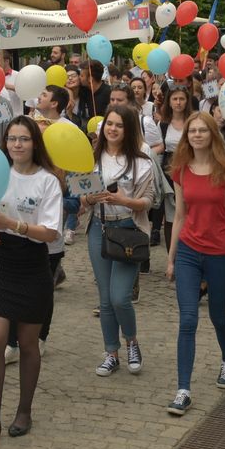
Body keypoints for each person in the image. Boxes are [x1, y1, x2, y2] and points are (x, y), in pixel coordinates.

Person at [0, 116, 61, 437]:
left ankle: (24, 410)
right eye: (12, 139)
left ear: (34, 142)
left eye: (23, 139)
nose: (17, 145)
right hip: (1, 264)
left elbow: (51, 233)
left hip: (32, 265)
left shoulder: (47, 181)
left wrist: (14, 225)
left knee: (27, 344)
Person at [162, 111, 225, 416]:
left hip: (220, 251)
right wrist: (171, 258)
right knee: (187, 319)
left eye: (202, 130)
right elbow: (179, 215)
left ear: (212, 134)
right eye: (192, 131)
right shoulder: (181, 170)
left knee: (218, 316)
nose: (197, 135)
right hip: (188, 251)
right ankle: (183, 390)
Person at [81, 106, 154, 377]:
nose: (112, 129)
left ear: (129, 129)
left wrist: (123, 200)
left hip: (129, 231)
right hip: (99, 228)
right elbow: (81, 198)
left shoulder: (142, 162)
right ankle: (111, 353)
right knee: (105, 298)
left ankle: (132, 342)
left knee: (120, 297)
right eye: (109, 123)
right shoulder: (91, 158)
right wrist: (91, 198)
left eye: (119, 125)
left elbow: (149, 201)